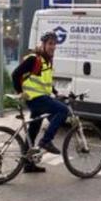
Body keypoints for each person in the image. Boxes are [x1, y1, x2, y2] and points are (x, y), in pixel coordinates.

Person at [11, 31, 69, 173]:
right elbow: (15, 74)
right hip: (35, 99)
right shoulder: (34, 59)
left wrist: (56, 93)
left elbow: (45, 82)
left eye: (55, 44)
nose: (53, 46)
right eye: (50, 44)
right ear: (43, 45)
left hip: (41, 98)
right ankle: (46, 141)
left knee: (33, 130)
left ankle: (28, 164)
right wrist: (20, 92)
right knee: (63, 110)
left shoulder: (46, 61)